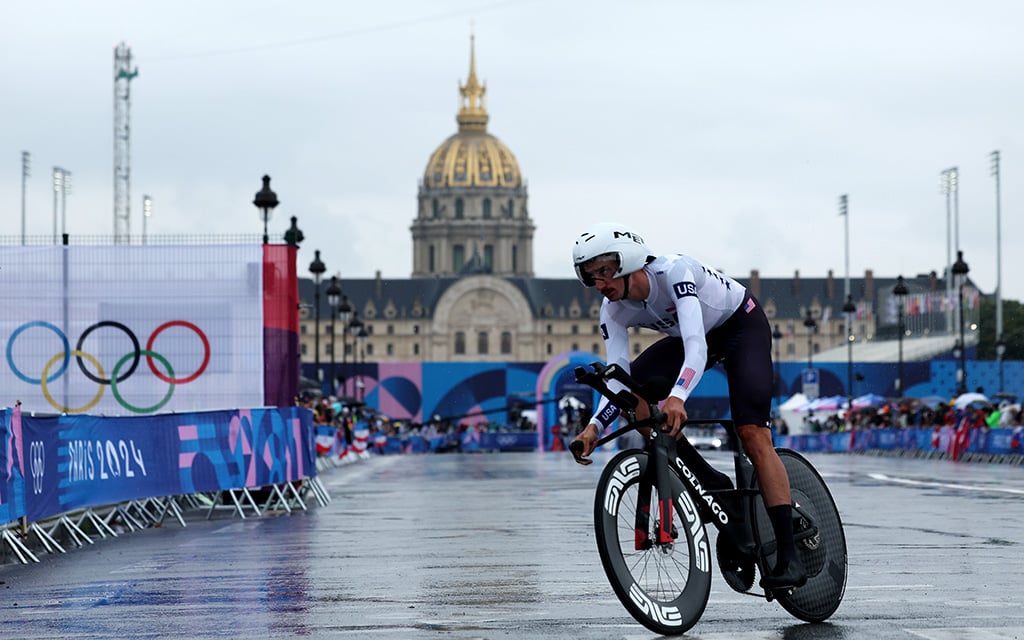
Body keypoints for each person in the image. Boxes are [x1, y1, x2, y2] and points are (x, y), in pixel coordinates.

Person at [569, 222, 807, 591]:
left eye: (605, 271)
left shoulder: (674, 272)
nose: (600, 283)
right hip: (693, 337)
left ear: (629, 261)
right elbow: (617, 380)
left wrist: (678, 395)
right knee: (637, 399)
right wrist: (594, 427)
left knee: (752, 433)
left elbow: (697, 344)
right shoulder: (612, 311)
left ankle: (790, 557)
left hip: (740, 327)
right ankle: (711, 482)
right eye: (591, 276)